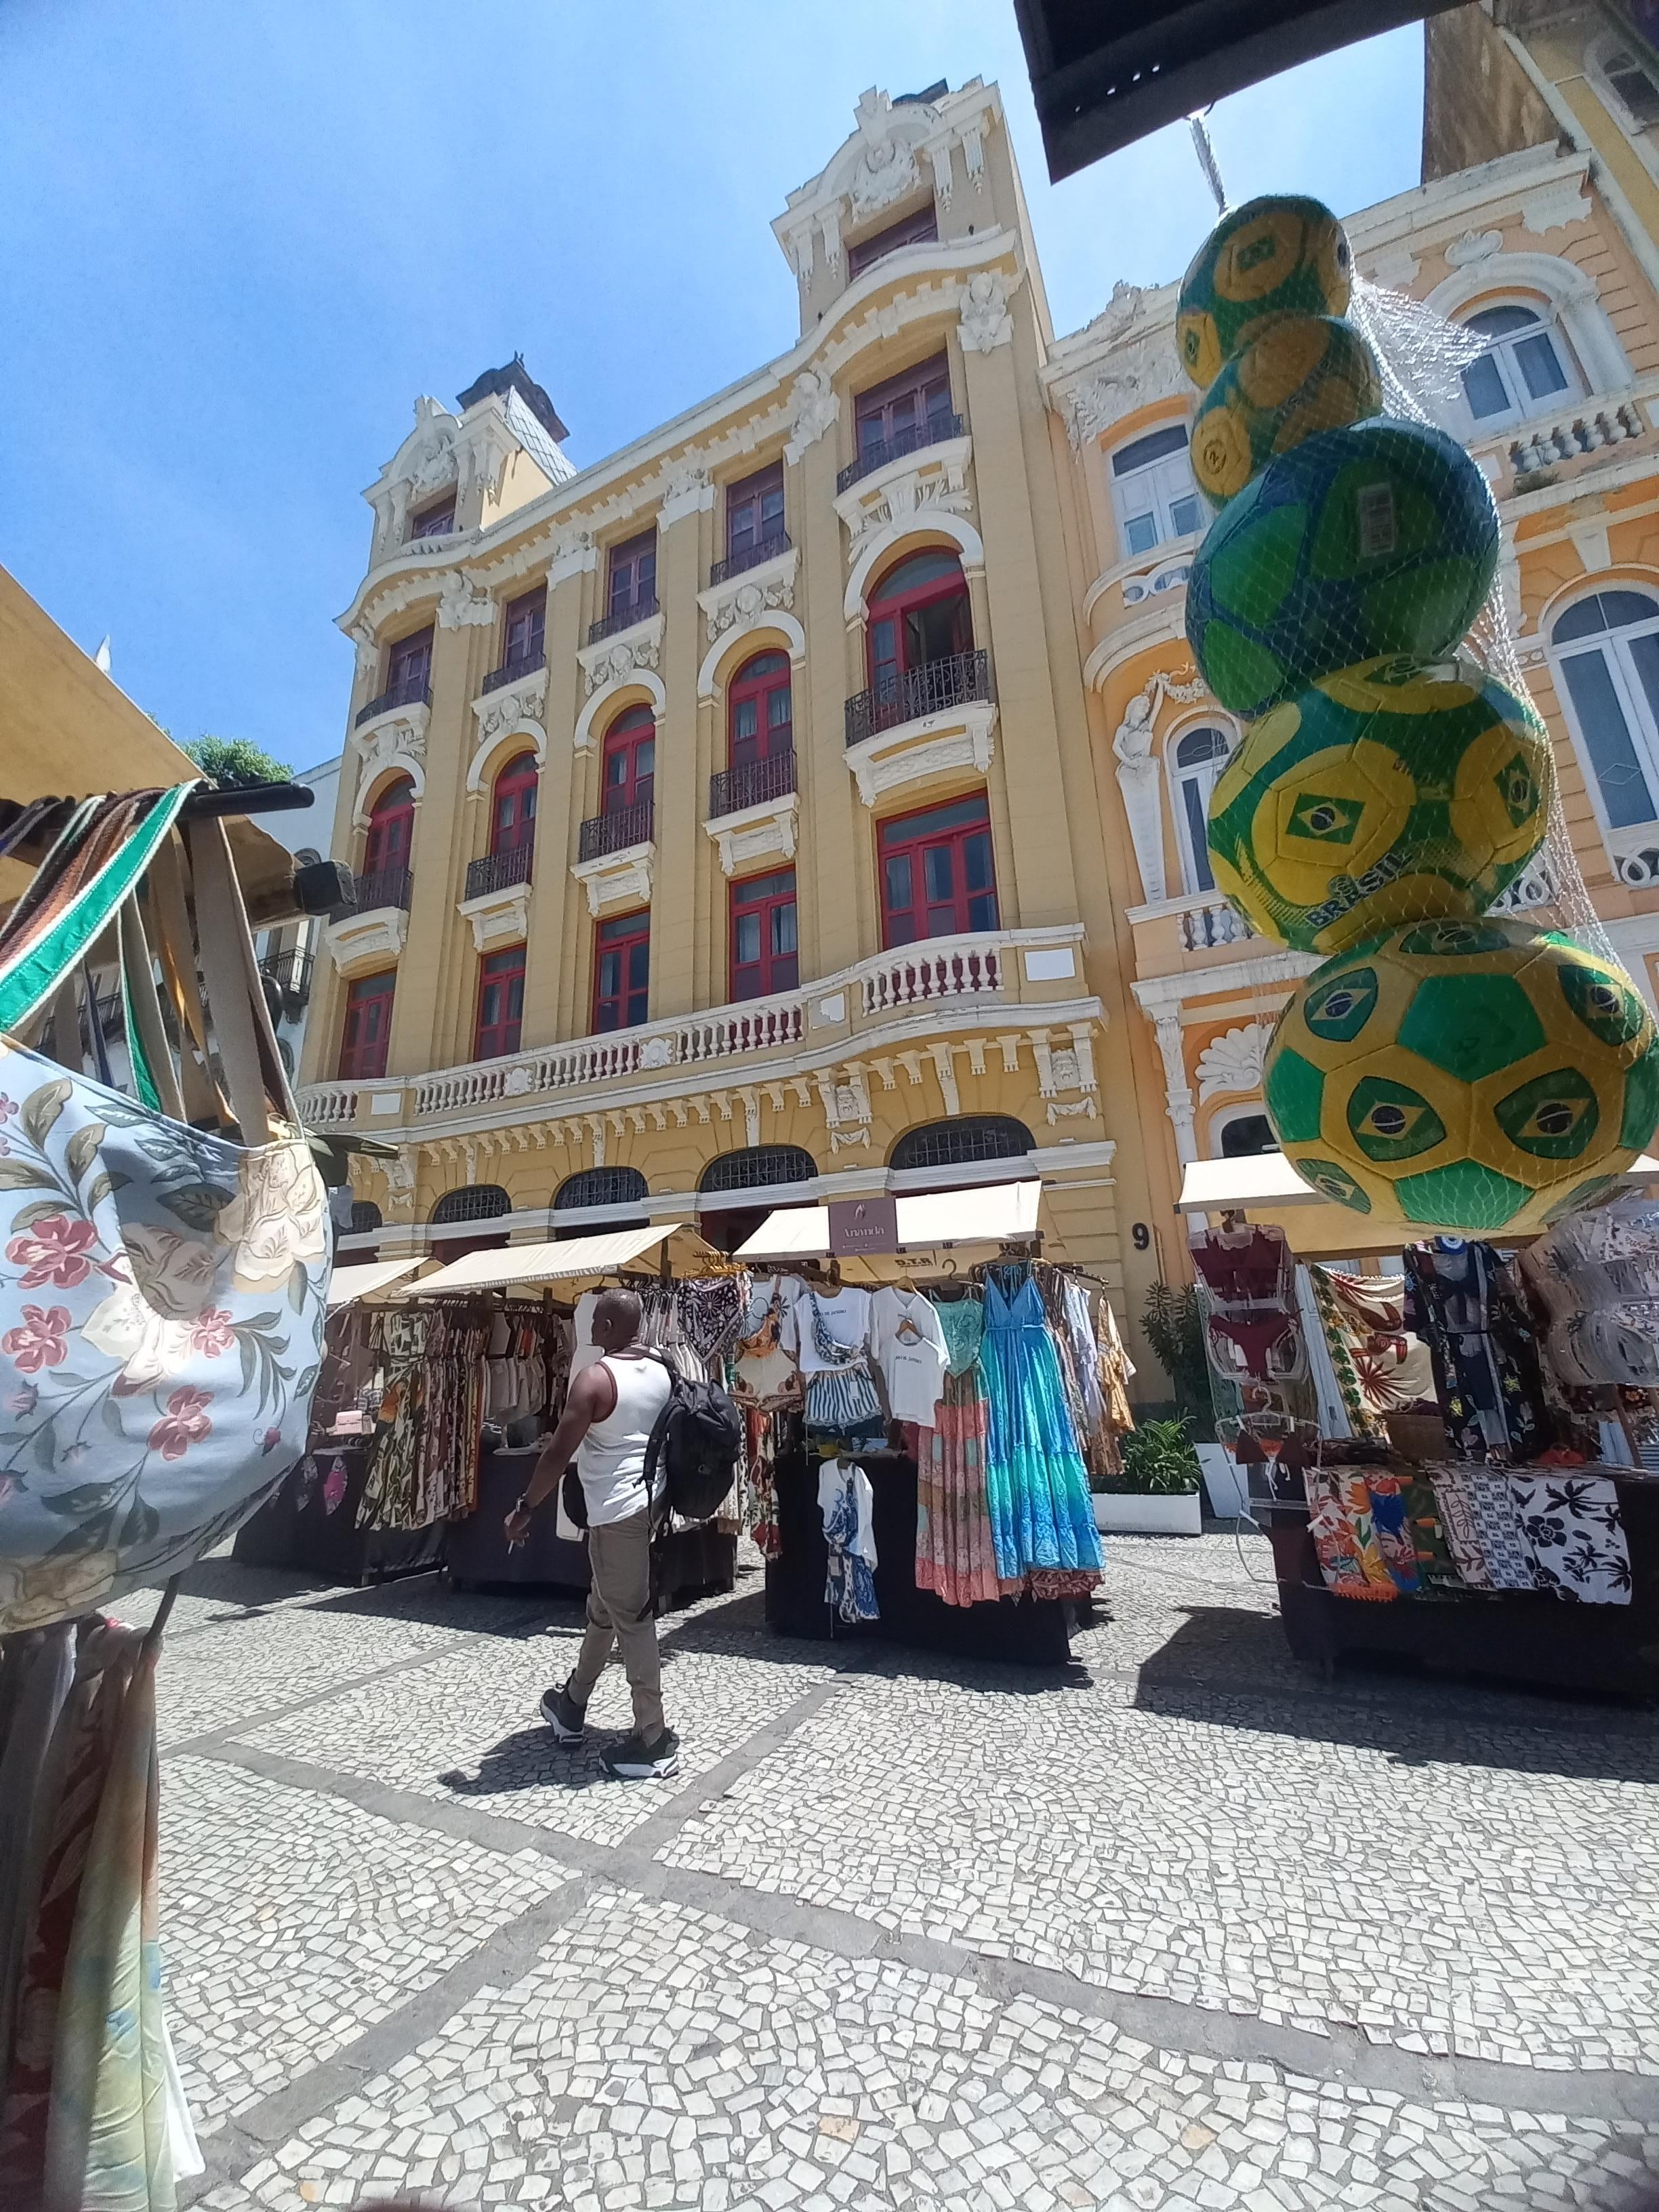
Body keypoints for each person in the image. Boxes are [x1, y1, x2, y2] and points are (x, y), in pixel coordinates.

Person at [504, 1287, 680, 1780]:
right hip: (652, 1502)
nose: (587, 1328)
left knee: (632, 1616)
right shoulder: (664, 1369)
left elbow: (558, 1454)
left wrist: (524, 1509)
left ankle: (654, 1739)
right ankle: (572, 1704)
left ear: (604, 1328)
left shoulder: (594, 1381)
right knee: (604, 1607)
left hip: (616, 1512)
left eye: (593, 1320)